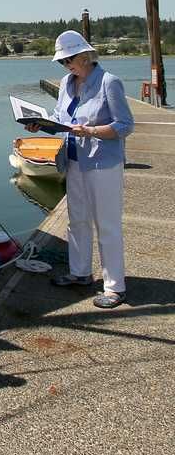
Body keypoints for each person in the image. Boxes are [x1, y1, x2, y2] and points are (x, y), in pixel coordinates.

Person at [26, 30, 134, 308]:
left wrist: (91, 131)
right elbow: (61, 119)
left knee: (107, 225)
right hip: (73, 160)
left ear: (85, 56)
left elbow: (125, 126)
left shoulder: (109, 83)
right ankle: (80, 273)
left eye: (69, 59)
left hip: (102, 163)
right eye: (62, 62)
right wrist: (41, 123)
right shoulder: (66, 83)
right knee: (77, 221)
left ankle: (114, 287)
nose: (66, 65)